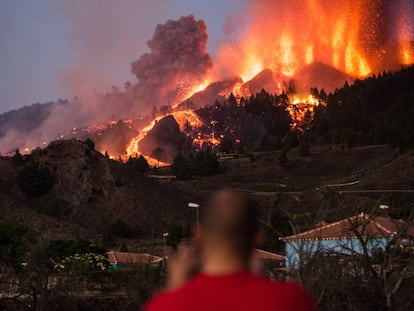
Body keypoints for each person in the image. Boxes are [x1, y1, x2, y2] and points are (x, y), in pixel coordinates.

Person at [144, 189, 316, 311]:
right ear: (258, 237)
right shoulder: (291, 300)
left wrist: (174, 290)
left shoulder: (165, 306)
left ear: (198, 235)